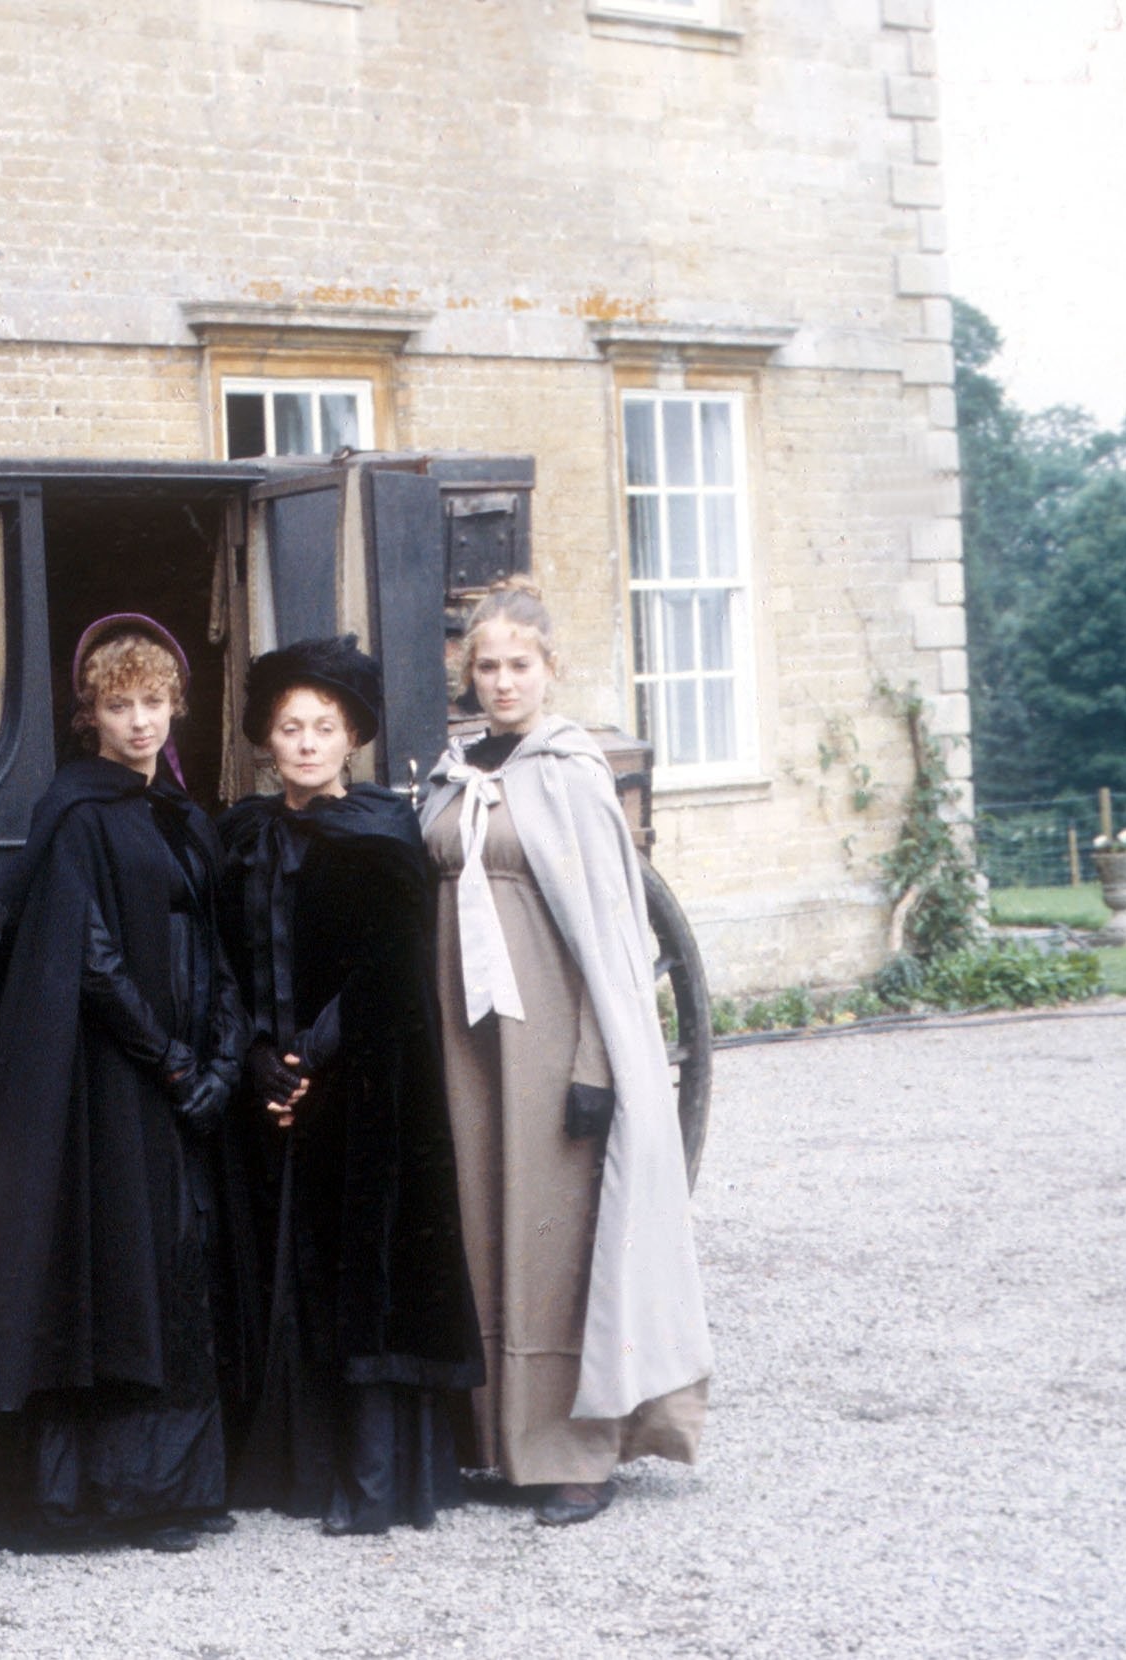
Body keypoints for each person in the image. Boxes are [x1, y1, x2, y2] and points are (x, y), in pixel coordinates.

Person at [0, 615, 247, 1554]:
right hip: (113, 1079)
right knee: (122, 1269)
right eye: (121, 706)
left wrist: (221, 1054)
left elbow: (215, 939)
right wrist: (170, 1059)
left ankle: (176, 1488)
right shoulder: (75, 813)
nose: (141, 722)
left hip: (184, 1067)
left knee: (179, 1266)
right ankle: (108, 1498)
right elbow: (92, 959)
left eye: (154, 703)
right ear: (91, 717)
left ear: (175, 706)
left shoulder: (180, 814)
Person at [419, 579, 712, 1527]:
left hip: (553, 1046)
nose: (503, 682)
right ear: (469, 675)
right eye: (488, 667)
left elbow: (615, 940)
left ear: (551, 669)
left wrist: (594, 1064)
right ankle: (497, 1443)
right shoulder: (456, 771)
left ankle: (580, 1454)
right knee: (482, 1234)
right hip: (468, 1046)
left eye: (520, 666)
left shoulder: (571, 772)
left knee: (557, 1247)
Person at [213, 637, 485, 1535]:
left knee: (358, 1272)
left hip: (361, 1082)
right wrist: (260, 1056)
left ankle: (367, 1480)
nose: (305, 743)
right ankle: (294, 1468)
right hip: (271, 1086)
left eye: (323, 727)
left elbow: (387, 968)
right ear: (267, 739)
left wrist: (310, 1061)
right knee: (283, 1268)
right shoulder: (244, 836)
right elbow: (229, 964)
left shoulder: (379, 831)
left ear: (352, 737)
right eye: (289, 727)